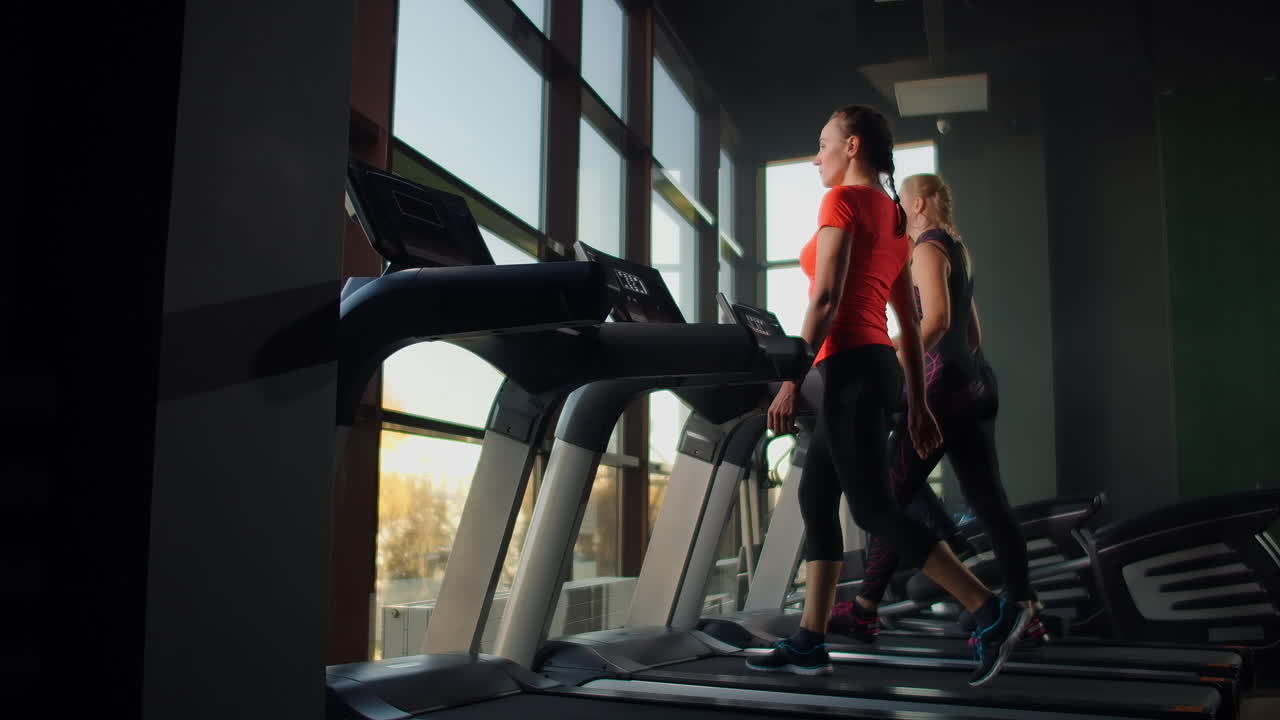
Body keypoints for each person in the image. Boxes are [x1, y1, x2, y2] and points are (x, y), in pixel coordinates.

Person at [746, 107, 1030, 687]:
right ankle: (811, 639)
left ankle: (990, 608)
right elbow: (905, 314)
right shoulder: (897, 216)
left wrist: (791, 379)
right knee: (817, 497)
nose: (816, 155)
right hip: (876, 368)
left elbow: (825, 300)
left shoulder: (843, 204)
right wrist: (918, 402)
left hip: (847, 369)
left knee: (874, 508)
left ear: (852, 147)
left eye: (822, 143)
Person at [827, 173, 1045, 647]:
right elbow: (973, 335)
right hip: (977, 384)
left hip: (944, 389)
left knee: (884, 499)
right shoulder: (956, 249)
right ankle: (1025, 607)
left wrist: (892, 355)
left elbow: (940, 320)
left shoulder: (925, 247)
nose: (897, 214)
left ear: (920, 204)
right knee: (988, 498)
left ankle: (866, 610)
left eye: (901, 204)